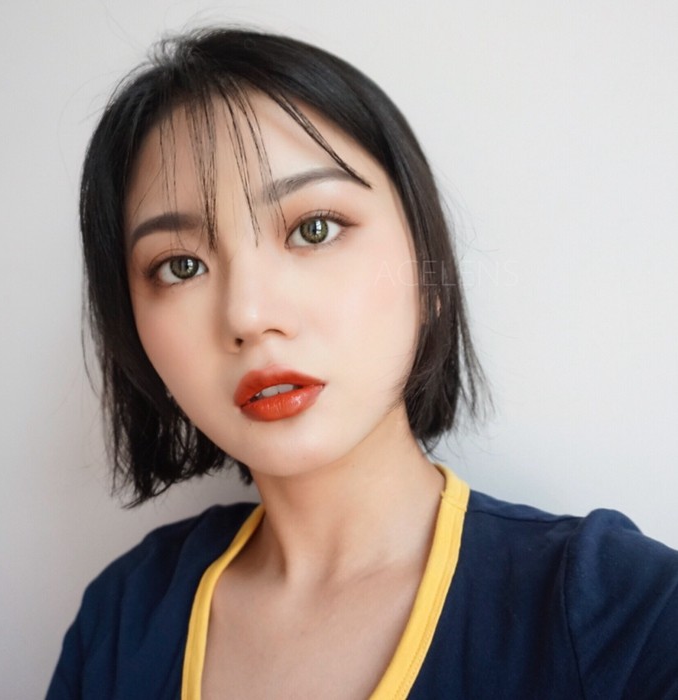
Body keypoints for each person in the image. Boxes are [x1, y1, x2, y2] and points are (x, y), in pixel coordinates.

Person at [46, 27, 678, 699]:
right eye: (180, 266)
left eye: (313, 229)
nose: (248, 315)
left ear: (428, 275)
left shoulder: (624, 613)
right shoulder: (121, 620)